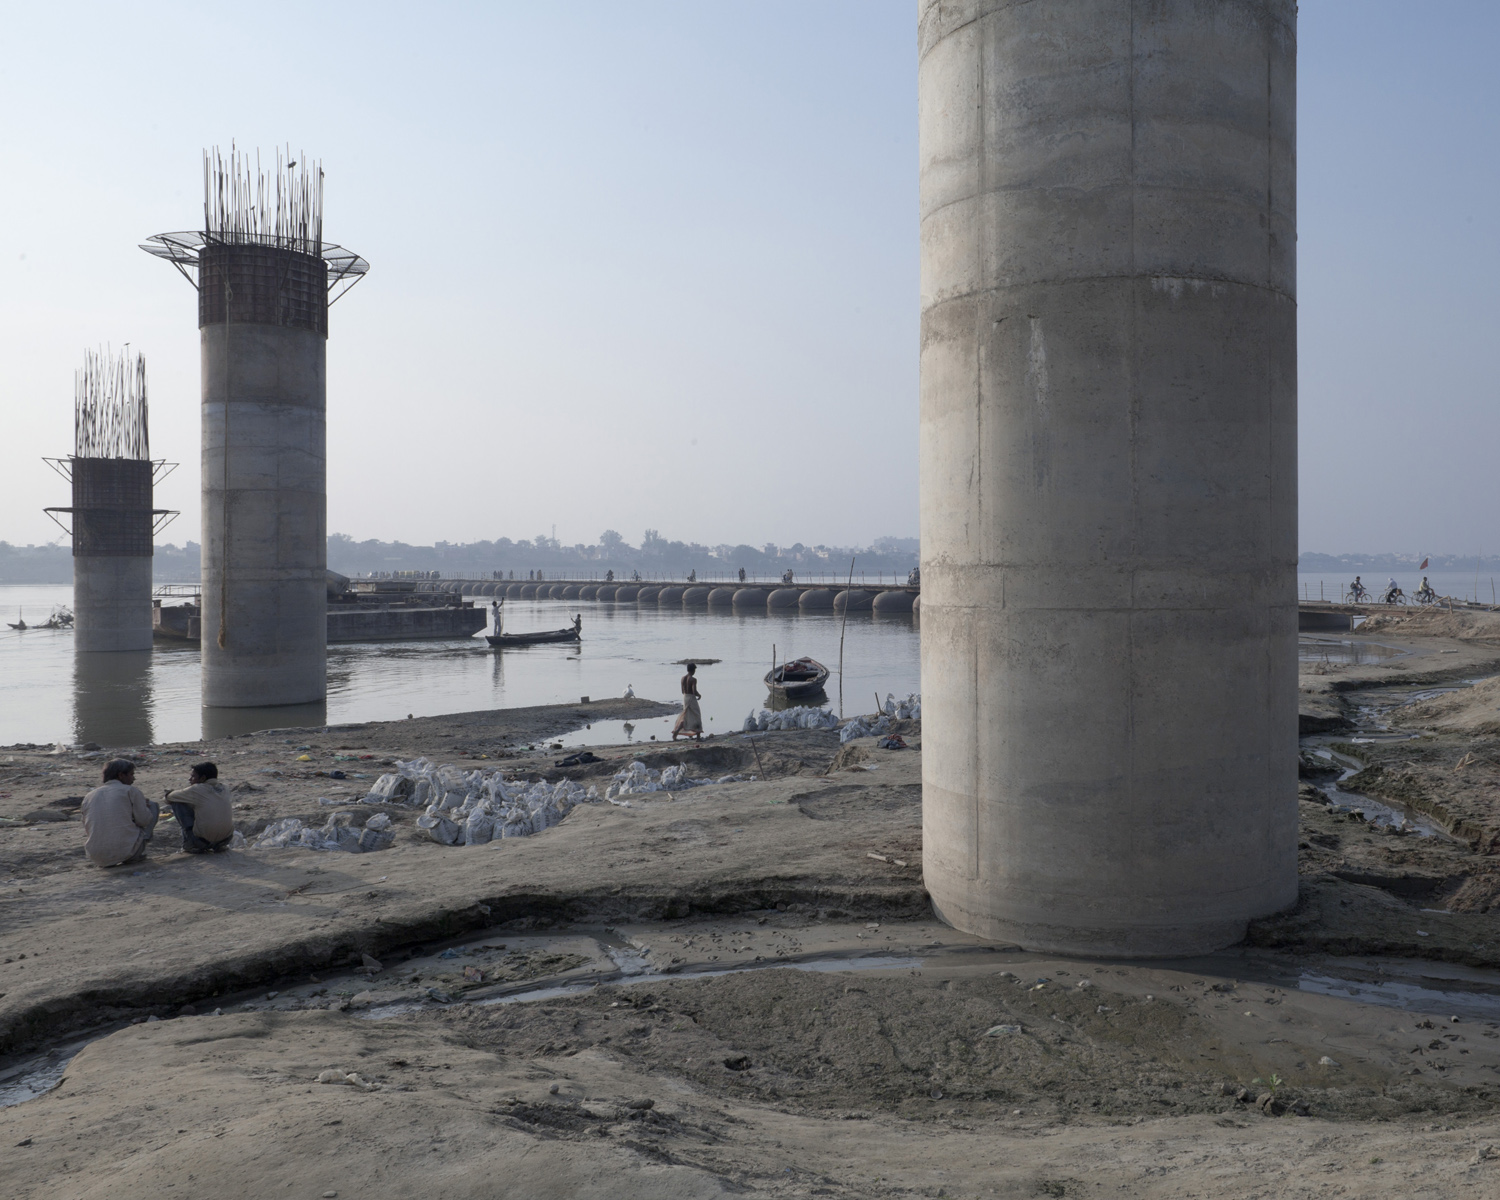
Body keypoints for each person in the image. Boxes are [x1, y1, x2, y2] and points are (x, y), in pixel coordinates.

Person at [81, 759, 159, 867]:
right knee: (153, 805)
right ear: (121, 775)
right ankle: (136, 852)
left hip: (96, 854)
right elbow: (143, 820)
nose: (133, 778)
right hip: (126, 851)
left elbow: (87, 826)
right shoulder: (130, 791)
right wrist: (142, 806)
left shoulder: (89, 795)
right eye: (131, 774)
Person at [164, 762, 235, 854]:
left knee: (178, 802)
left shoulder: (196, 789)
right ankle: (218, 845)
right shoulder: (225, 788)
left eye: (193, 776)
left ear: (202, 778)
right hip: (225, 839)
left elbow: (169, 797)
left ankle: (190, 844)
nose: (190, 779)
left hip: (203, 842)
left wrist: (169, 794)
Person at [672, 663, 703, 741]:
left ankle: (676, 731)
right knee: (697, 715)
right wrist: (699, 695)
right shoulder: (693, 679)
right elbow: (694, 691)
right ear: (693, 670)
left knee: (685, 716)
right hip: (691, 698)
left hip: (685, 697)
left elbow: (682, 691)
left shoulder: (683, 678)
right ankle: (698, 737)